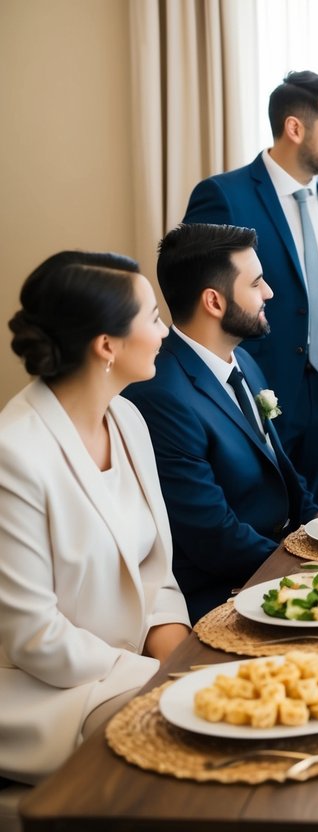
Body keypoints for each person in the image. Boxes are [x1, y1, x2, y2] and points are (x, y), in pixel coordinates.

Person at [0, 251, 191, 784]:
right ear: (106, 345)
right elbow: (34, 636)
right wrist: (154, 678)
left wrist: (184, 662)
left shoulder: (128, 419)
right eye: (153, 318)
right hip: (49, 698)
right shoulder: (13, 455)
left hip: (136, 674)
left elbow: (155, 571)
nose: (164, 332)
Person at [125, 224, 318, 623]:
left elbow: (286, 475)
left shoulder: (242, 360)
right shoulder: (162, 395)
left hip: (279, 561)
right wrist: (312, 572)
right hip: (227, 594)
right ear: (214, 301)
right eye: (257, 283)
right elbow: (213, 536)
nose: (269, 293)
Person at [182, 70, 318, 501]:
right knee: (263, 515)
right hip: (258, 383)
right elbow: (196, 292)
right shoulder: (224, 195)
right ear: (295, 128)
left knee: (316, 514)